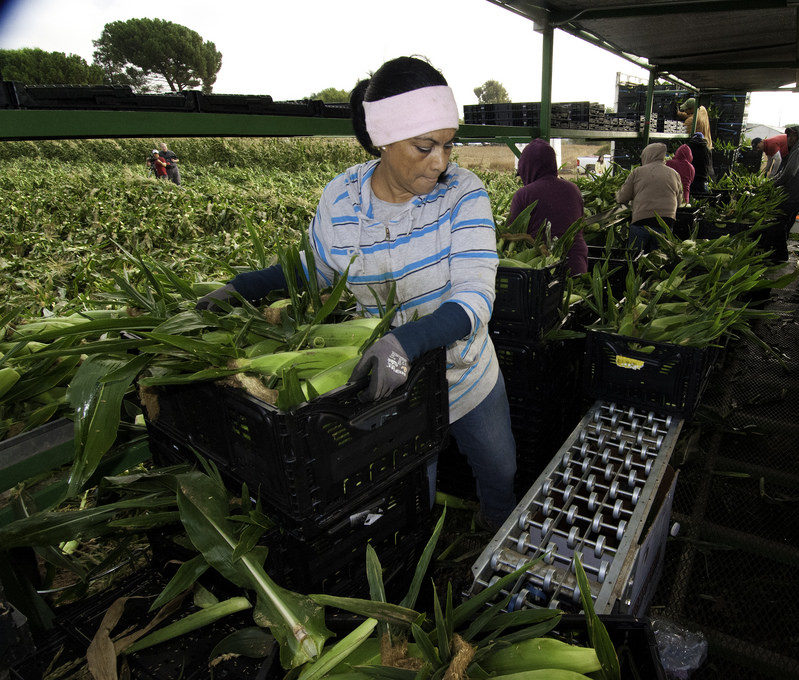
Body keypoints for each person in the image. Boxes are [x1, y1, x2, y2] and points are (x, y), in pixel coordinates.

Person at [196, 57, 516, 530]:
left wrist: (406, 343)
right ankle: (421, 573)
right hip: (392, 388)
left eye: (449, 145)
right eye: (425, 146)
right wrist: (240, 289)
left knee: (499, 469)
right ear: (381, 139)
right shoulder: (342, 200)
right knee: (412, 485)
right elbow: (319, 269)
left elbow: (475, 296)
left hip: (465, 371)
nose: (440, 162)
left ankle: (496, 535)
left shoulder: (463, 194)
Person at [508, 139, 587, 275]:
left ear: (527, 169)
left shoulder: (524, 194)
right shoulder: (573, 189)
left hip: (545, 271)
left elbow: (511, 235)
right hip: (576, 263)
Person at [616, 142, 683, 252]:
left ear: (647, 155)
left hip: (642, 221)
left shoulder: (638, 172)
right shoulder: (674, 174)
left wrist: (618, 196)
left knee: (635, 257)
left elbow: (623, 197)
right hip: (666, 222)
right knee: (659, 259)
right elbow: (679, 202)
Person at [764, 125, 799, 263]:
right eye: (789, 136)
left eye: (794, 136)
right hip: (790, 194)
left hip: (793, 196)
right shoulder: (793, 152)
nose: (790, 139)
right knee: (782, 224)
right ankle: (778, 253)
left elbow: (788, 174)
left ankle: (781, 255)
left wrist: (772, 184)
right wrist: (771, 181)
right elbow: (783, 172)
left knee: (781, 224)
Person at [686, 132, 715, 196]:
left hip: (691, 179)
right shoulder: (707, 150)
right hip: (702, 179)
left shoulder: (688, 148)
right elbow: (709, 166)